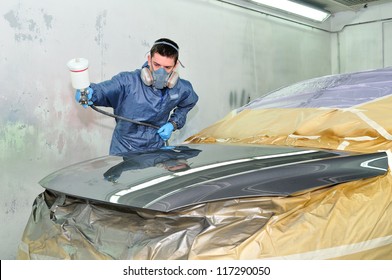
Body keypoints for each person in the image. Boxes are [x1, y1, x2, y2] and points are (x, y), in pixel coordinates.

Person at [75, 38, 199, 155]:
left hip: (156, 149)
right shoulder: (128, 82)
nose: (161, 72)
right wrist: (90, 92)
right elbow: (104, 90)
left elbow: (188, 103)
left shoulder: (180, 88)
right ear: (149, 59)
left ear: (175, 65)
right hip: (125, 149)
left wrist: (173, 124)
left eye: (167, 67)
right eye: (156, 64)